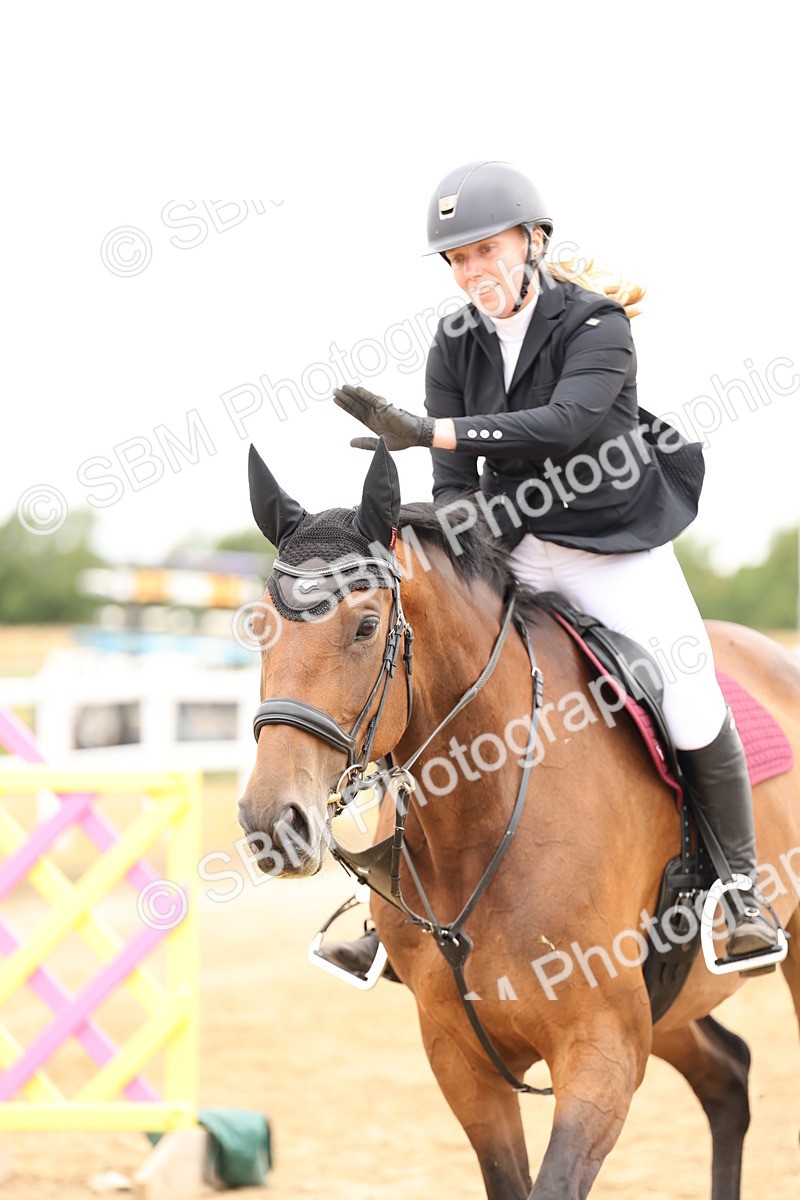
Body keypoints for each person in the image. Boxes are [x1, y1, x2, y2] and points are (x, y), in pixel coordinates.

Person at [326, 159, 779, 977]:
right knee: (430, 682)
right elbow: (457, 488)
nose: (472, 272)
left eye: (485, 251)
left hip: (617, 549)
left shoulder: (597, 324)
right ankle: (382, 903)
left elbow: (566, 425)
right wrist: (447, 547)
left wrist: (433, 431)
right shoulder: (454, 342)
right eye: (457, 259)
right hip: (520, 550)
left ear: (533, 243)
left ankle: (741, 891)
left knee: (686, 694)